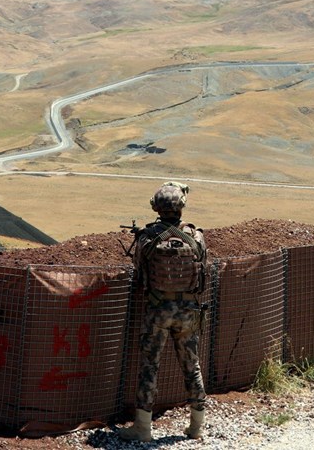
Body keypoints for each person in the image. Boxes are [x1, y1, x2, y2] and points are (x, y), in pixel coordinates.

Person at [118, 181, 207, 442]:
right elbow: (203, 268)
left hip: (157, 311)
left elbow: (139, 272)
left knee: (150, 367)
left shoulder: (148, 237)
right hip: (189, 311)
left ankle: (143, 428)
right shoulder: (196, 236)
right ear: (181, 207)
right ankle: (196, 427)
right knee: (192, 366)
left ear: (156, 206)